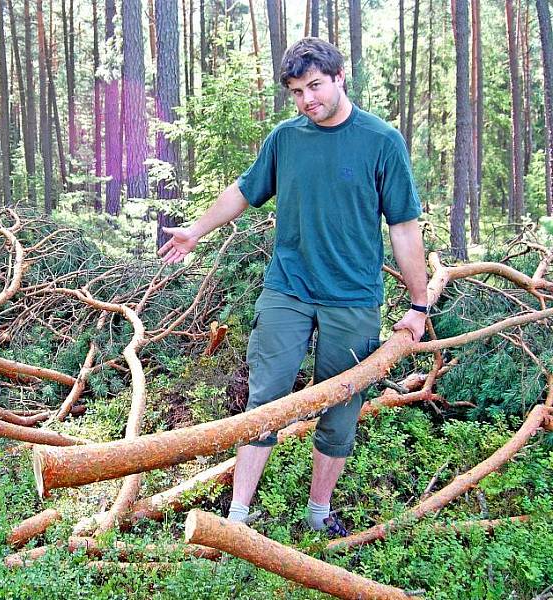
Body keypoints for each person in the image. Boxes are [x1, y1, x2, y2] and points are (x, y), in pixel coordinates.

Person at [158, 37, 428, 537]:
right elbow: (244, 189)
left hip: (353, 298)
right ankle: (237, 518)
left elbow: (405, 228)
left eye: (315, 86)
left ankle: (318, 514)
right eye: (297, 91)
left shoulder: (381, 141)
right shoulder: (286, 138)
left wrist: (419, 304)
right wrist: (195, 230)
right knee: (265, 398)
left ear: (339, 77)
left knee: (340, 406)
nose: (307, 99)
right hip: (289, 288)